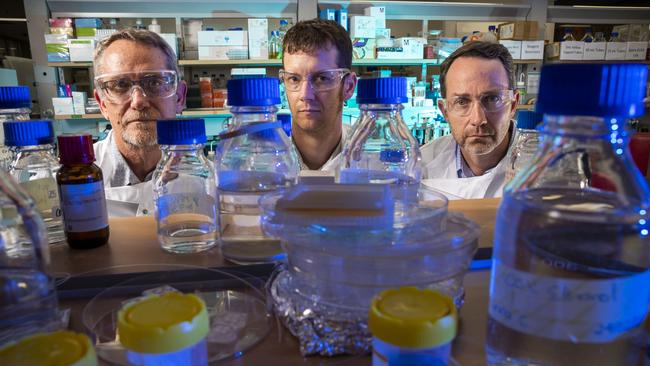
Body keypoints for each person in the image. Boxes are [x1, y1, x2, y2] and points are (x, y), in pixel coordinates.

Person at [93, 29, 187, 216]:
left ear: (179, 97)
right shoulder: (69, 178)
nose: (138, 101)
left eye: (154, 83)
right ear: (102, 104)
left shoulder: (208, 177)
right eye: (120, 85)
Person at [421, 41, 519, 199]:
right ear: (445, 111)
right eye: (462, 102)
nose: (478, 119)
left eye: (492, 99)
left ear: (513, 104)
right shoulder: (423, 164)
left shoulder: (547, 168)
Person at [280, 19, 357, 172]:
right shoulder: (264, 162)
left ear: (348, 86)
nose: (305, 95)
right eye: (294, 79)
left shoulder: (369, 159)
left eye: (322, 78)